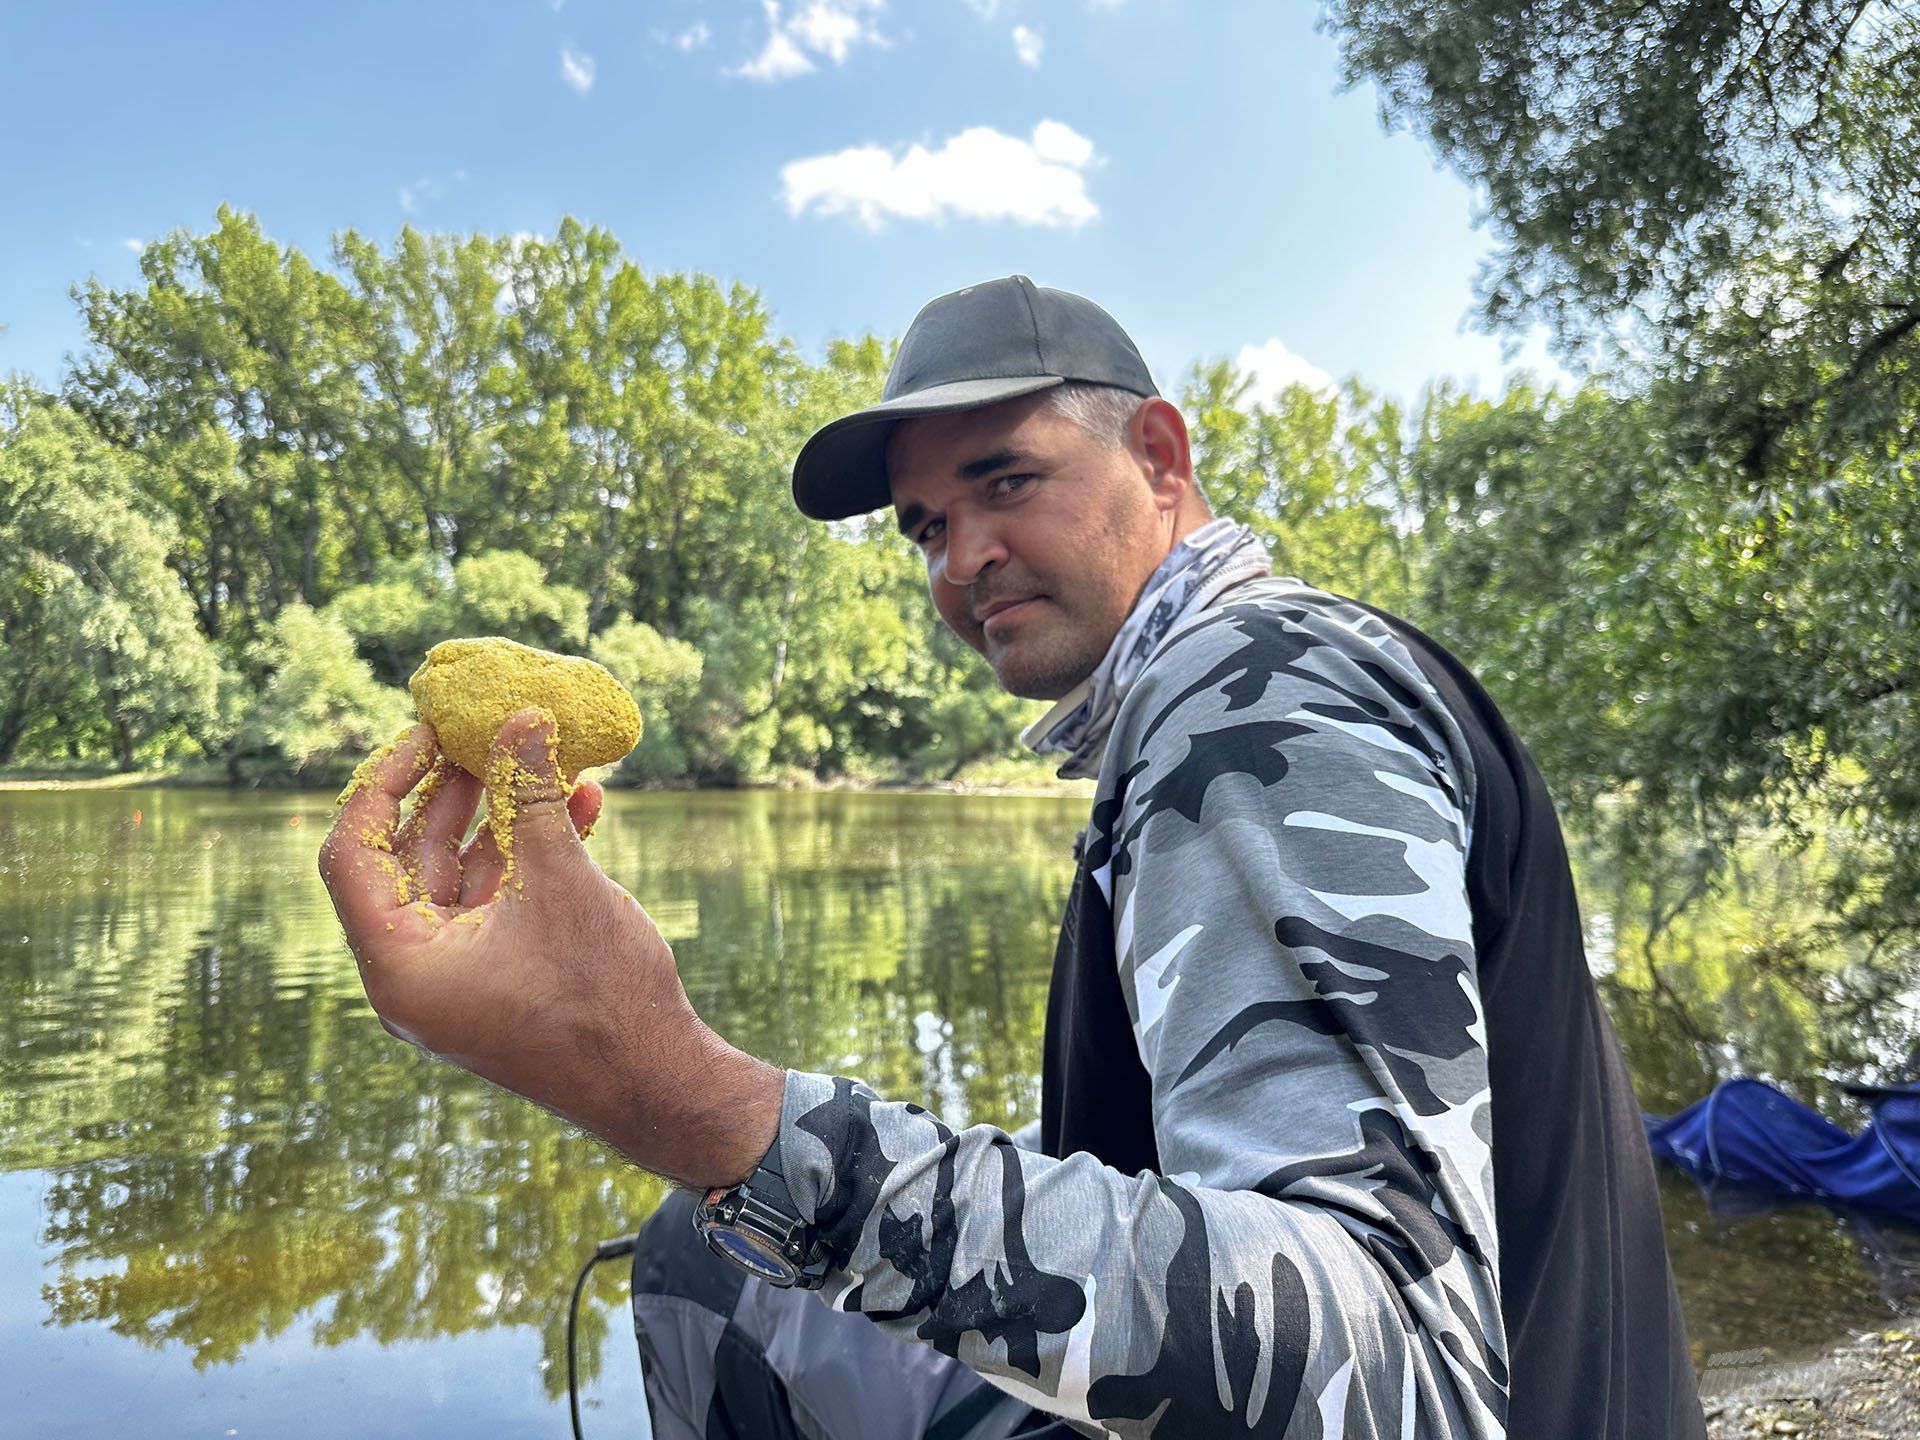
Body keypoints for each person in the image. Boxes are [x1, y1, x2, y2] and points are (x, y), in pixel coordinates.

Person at [319, 277, 1709, 1438]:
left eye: (1007, 482)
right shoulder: (1254, 686)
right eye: (927, 526)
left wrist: (685, 1097)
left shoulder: (1249, 688)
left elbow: (1393, 1359)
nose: (960, 558)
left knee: (710, 1264)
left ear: (1161, 460)